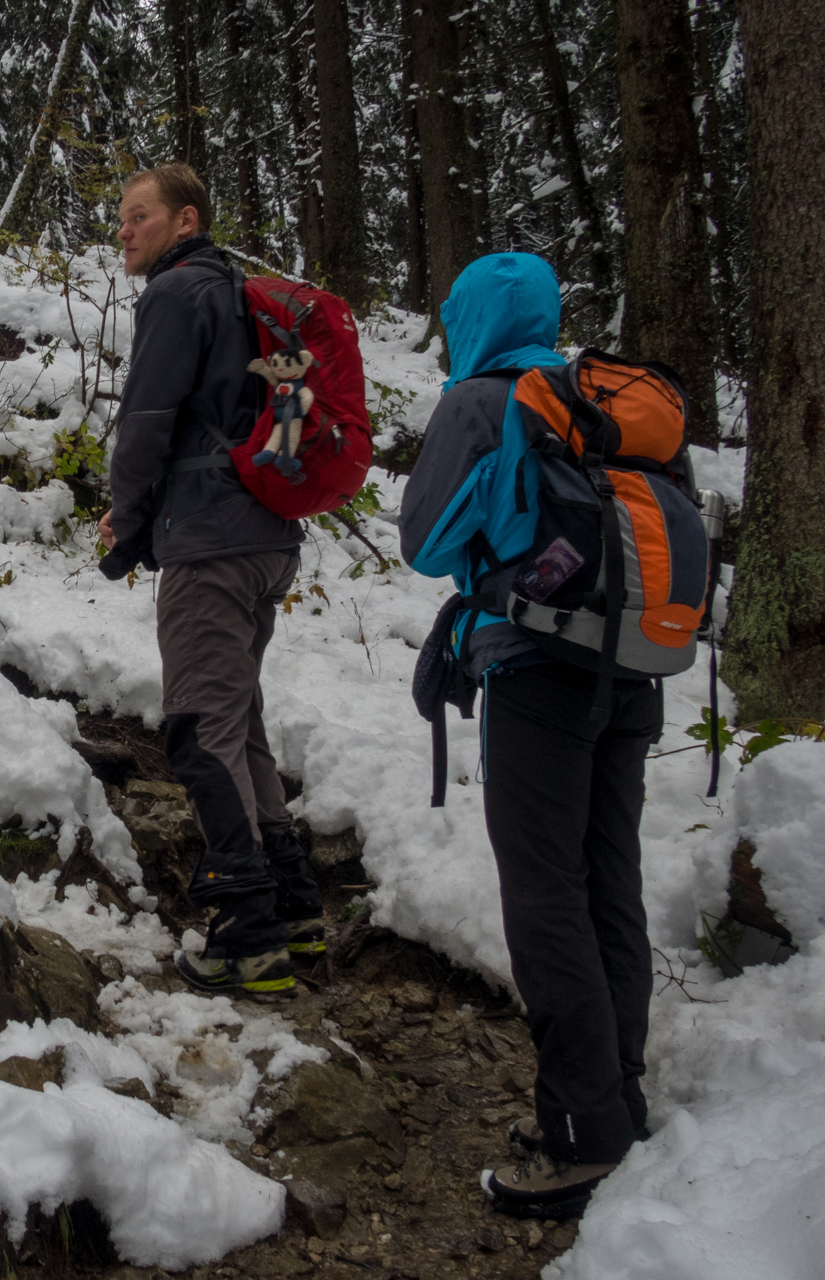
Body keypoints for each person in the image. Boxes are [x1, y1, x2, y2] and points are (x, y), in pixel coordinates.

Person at [399, 252, 661, 1219]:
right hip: (631, 671)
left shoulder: (483, 399)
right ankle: (616, 1101)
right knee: (608, 885)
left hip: (537, 670)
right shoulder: (599, 398)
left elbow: (423, 543)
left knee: (546, 895)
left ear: (470, 316)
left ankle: (583, 1137)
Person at [97, 164, 324, 998]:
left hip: (212, 545)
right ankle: (294, 908)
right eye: (119, 217)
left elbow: (147, 422)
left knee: (200, 731)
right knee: (241, 725)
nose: (124, 229)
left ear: (183, 219)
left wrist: (127, 522)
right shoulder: (237, 294)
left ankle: (249, 936)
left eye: (139, 215)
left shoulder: (177, 294)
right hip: (267, 538)